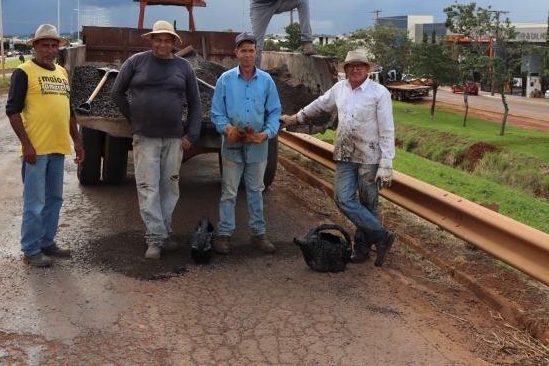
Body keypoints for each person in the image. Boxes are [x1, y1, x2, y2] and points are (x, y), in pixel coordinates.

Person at [281, 51, 396, 266]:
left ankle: (362, 249)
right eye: (351, 66)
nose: (355, 69)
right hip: (345, 154)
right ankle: (382, 236)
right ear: (345, 69)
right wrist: (296, 118)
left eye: (359, 66)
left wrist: (387, 162)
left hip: (369, 156)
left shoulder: (379, 93)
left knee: (368, 203)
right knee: (343, 199)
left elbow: (387, 129)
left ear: (367, 69)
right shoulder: (340, 88)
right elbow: (320, 104)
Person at [111, 20, 202, 260]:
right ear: (152, 40)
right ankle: (155, 239)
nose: (163, 44)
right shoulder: (136, 62)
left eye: (167, 40)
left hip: (173, 138)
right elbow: (116, 92)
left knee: (169, 188)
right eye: (159, 39)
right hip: (145, 137)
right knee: (148, 187)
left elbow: (195, 102)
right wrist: (134, 118)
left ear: (173, 43)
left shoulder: (184, 66)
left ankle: (164, 233)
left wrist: (192, 135)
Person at [5, 24, 84, 267]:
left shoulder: (61, 72)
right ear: (35, 47)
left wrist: (77, 141)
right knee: (35, 202)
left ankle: (46, 241)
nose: (50, 50)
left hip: (58, 148)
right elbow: (12, 110)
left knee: (55, 198)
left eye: (54, 46)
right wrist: (26, 145)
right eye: (45, 45)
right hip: (35, 152)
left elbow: (68, 110)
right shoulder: (24, 72)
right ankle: (30, 249)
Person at [210, 32, 281, 255]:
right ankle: (224, 234)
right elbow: (217, 113)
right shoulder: (225, 80)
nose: (248, 54)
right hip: (232, 146)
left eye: (251, 51)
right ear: (236, 53)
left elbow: (274, 112)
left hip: (258, 146)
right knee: (229, 191)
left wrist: (265, 134)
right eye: (243, 51)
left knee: (256, 191)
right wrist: (227, 129)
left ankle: (258, 234)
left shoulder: (267, 81)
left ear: (256, 53)